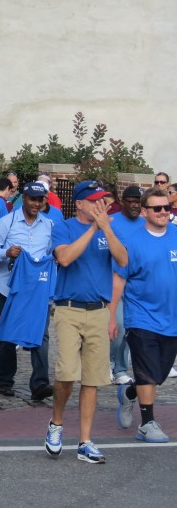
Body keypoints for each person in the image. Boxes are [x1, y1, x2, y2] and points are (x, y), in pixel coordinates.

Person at [45, 180, 126, 464]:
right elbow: (65, 258)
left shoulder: (109, 228)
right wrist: (93, 229)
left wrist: (106, 230)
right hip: (69, 308)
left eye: (103, 200)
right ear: (79, 204)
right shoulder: (64, 227)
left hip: (99, 310)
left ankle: (85, 441)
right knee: (67, 373)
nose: (101, 205)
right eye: (94, 201)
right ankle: (56, 423)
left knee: (92, 379)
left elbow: (123, 260)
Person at [113, 187, 177, 443]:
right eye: (157, 208)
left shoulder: (176, 235)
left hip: (171, 318)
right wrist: (111, 316)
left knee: (158, 374)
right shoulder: (133, 242)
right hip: (141, 316)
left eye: (167, 207)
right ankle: (147, 423)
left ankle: (129, 393)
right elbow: (119, 279)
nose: (163, 212)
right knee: (147, 371)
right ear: (144, 211)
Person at [0, 182, 54, 399]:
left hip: (36, 289)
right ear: (24, 198)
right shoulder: (5, 222)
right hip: (9, 286)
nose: (36, 203)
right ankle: (4, 381)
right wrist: (6, 252)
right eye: (32, 199)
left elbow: (51, 252)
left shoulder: (49, 225)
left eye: (40, 199)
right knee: (9, 334)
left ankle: (40, 383)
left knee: (41, 333)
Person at [109, 185, 145, 385]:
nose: (134, 206)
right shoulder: (112, 222)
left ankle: (120, 369)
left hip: (138, 285)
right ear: (122, 202)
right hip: (115, 282)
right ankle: (109, 362)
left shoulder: (146, 224)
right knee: (119, 326)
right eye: (131, 202)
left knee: (130, 328)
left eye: (138, 202)